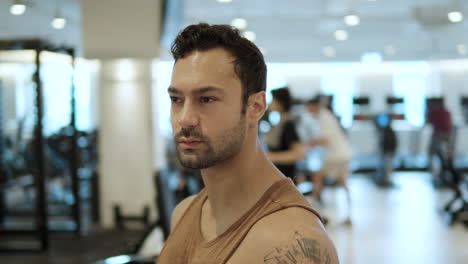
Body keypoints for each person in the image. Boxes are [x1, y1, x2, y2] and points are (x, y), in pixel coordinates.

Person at [157, 23, 338, 264]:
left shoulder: (291, 242)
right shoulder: (184, 213)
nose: (185, 118)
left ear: (255, 107)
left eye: (207, 99)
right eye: (176, 99)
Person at [305, 97, 352, 225]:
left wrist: (307, 144)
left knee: (318, 178)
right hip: (343, 153)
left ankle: (311, 212)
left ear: (314, 105)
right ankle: (349, 214)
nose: (308, 111)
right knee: (342, 183)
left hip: (335, 155)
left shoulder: (323, 117)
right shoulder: (327, 115)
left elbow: (325, 140)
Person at [264, 87, 305, 181]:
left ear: (280, 103)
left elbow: (298, 154)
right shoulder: (281, 122)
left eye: (273, 100)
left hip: (285, 177)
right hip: (279, 175)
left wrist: (270, 157)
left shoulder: (288, 124)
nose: (270, 103)